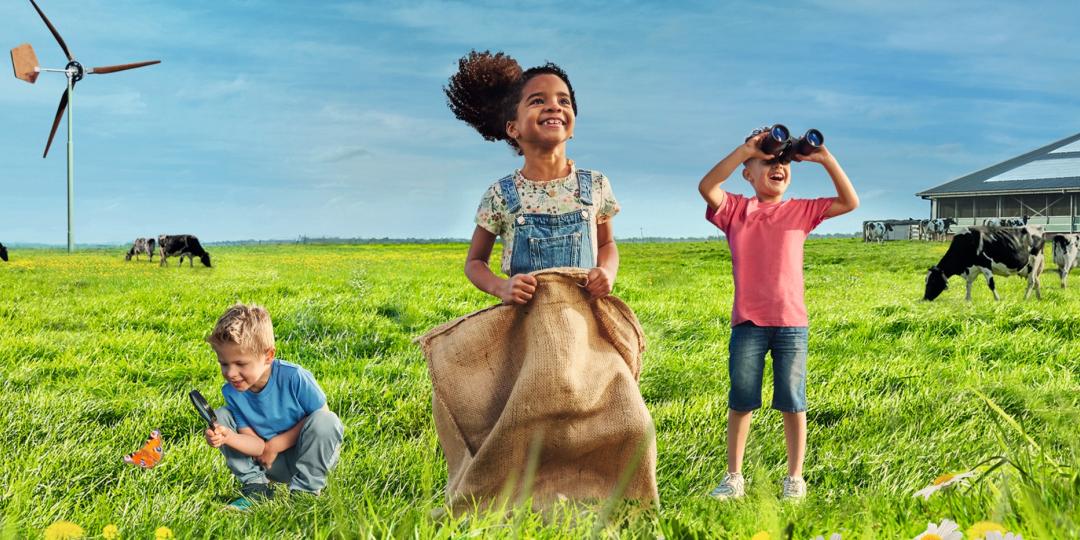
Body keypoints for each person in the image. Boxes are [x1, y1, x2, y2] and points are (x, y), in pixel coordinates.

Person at [698, 126, 859, 501]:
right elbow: (707, 186)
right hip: (748, 323)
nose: (778, 166)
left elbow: (850, 201)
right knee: (741, 400)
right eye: (766, 161)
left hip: (791, 324)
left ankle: (794, 478)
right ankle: (734, 477)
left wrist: (825, 159)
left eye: (783, 161)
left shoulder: (801, 211)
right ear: (748, 174)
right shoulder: (736, 209)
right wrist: (746, 149)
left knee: (793, 400)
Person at [444, 50, 620, 301]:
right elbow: (475, 262)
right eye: (537, 101)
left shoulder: (595, 185)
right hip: (526, 323)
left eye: (564, 101)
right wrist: (501, 287)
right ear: (513, 127)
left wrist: (607, 272)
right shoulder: (500, 195)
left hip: (583, 320)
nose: (553, 106)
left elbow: (606, 245)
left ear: (572, 126)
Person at [202, 303, 344, 510]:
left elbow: (322, 420)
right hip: (269, 463)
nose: (231, 373)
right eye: (224, 363)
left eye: (240, 364)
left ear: (268, 356)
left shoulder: (294, 377)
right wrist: (227, 437)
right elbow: (256, 446)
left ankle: (305, 493)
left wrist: (275, 445)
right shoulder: (233, 392)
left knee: (326, 419)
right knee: (221, 416)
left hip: (307, 457)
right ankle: (257, 489)